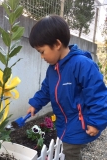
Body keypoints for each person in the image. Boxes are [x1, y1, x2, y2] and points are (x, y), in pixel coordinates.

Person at [27, 15, 107, 160]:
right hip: (65, 122)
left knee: (71, 152)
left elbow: (98, 95)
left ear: (57, 44)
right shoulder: (53, 69)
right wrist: (35, 103)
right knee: (68, 149)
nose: (41, 57)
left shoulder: (82, 64)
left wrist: (96, 122)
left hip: (79, 122)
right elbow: (46, 90)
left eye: (42, 51)